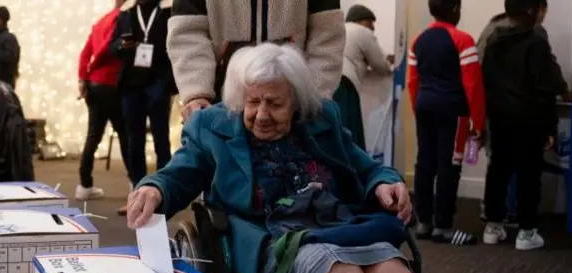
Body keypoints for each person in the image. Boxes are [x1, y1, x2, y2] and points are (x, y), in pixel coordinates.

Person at [126, 43, 432, 273]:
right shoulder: (212, 127)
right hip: (275, 241)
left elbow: (367, 168)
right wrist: (154, 189)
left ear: (296, 101)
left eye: (275, 104)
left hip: (341, 227)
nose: (261, 115)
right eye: (253, 101)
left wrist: (385, 182)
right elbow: (179, 174)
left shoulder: (323, 118)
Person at [167, 0, 346, 120]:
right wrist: (197, 93)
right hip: (219, 105)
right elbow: (188, 32)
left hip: (292, 108)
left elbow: (327, 36)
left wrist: (313, 97)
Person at [477, 0, 570, 226]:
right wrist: (551, 123)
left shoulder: (493, 32)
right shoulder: (535, 36)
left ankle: (493, 223)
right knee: (528, 172)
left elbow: (483, 75)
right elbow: (547, 80)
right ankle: (525, 227)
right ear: (533, 9)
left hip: (497, 114)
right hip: (528, 115)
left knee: (497, 169)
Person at [407, 0, 485, 245]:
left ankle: (423, 222)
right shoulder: (463, 40)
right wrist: (478, 122)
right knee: (449, 166)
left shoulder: (418, 40)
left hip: (424, 105)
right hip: (453, 110)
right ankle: (444, 226)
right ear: (455, 9)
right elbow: (472, 85)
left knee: (425, 162)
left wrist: (418, 108)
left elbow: (412, 81)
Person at [109, 0, 176, 215]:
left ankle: (164, 195)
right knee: (133, 142)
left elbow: (175, 46)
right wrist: (122, 45)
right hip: (131, 86)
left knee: (161, 142)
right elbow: (112, 46)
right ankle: (137, 195)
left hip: (158, 84)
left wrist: (166, 84)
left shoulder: (167, 11)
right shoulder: (126, 14)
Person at [76, 0, 131, 201]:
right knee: (126, 135)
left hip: (94, 85)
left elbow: (85, 52)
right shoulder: (123, 19)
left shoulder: (101, 21)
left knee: (93, 136)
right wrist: (94, 67)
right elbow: (107, 48)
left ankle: (84, 184)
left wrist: (83, 77)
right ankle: (135, 183)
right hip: (111, 83)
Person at [333, 4, 394, 150]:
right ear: (359, 21)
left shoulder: (340, 29)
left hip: (328, 80)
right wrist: (388, 61)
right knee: (350, 132)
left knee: (335, 130)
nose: (372, 27)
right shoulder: (362, 32)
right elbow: (381, 66)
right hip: (345, 84)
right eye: (370, 23)